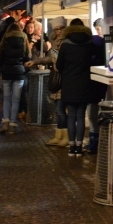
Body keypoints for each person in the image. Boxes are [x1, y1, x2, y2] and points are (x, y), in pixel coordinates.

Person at [56, 18, 97, 157]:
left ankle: (71, 146)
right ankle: (79, 146)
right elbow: (96, 61)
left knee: (71, 115)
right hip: (85, 83)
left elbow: (59, 66)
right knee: (80, 116)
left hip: (69, 84)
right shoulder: (90, 44)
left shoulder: (65, 45)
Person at [27, 16, 68, 146]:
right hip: (56, 77)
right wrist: (35, 61)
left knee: (61, 109)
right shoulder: (55, 42)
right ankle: (59, 135)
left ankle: (64, 136)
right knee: (58, 109)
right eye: (56, 29)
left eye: (61, 29)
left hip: (63, 78)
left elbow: (56, 60)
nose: (58, 32)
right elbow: (51, 58)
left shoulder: (65, 43)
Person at [0, 23, 30, 134]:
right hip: (19, 72)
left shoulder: (5, 39)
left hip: (7, 72)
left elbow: (0, 57)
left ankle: (5, 122)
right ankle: (12, 125)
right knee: (16, 99)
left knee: (6, 98)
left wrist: (2, 67)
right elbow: (27, 56)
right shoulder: (24, 38)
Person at [86, 18, 109, 153]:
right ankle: (96, 142)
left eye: (99, 29)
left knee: (92, 115)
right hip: (100, 85)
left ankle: (94, 143)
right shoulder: (101, 43)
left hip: (93, 85)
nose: (98, 31)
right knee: (95, 115)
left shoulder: (95, 42)